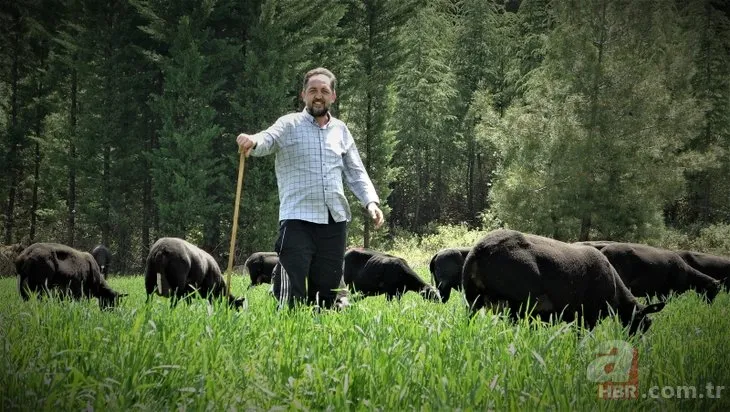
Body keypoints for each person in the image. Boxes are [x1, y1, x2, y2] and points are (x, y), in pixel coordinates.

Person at [236, 67, 384, 310]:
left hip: (334, 221)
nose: (318, 95)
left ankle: (321, 337)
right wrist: (253, 141)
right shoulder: (289, 124)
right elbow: (268, 139)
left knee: (328, 292)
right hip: (297, 220)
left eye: (324, 90)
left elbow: (355, 171)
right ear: (303, 94)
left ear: (333, 96)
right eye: (313, 90)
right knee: (290, 290)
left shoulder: (341, 130)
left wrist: (371, 202)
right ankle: (286, 335)